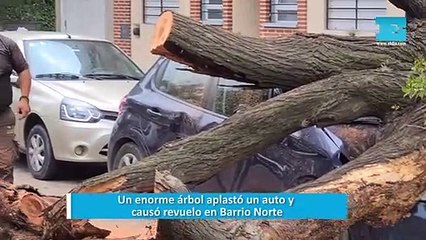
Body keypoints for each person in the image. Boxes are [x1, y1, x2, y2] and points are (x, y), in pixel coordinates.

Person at [0, 33, 31, 183]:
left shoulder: (6, 45)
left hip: (2, 116)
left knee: (5, 164)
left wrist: (24, 98)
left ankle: (6, 203)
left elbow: (23, 70)